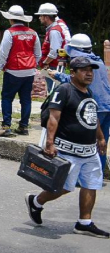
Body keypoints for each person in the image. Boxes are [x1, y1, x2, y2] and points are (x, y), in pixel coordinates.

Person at [25, 57, 108, 238]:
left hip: (89, 151)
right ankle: (36, 201)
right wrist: (50, 143)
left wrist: (101, 138)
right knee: (64, 187)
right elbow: (54, 118)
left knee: (91, 183)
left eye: (91, 70)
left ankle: (84, 223)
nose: (89, 73)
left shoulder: (88, 93)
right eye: (84, 70)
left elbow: (93, 118)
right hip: (68, 150)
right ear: (73, 72)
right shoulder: (64, 90)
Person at [48, 34, 110, 173]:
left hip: (92, 107)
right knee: (101, 142)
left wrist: (57, 74)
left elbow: (75, 81)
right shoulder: (97, 61)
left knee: (86, 142)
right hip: (106, 106)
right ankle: (97, 175)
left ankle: (79, 175)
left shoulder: (81, 63)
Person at [0, 5, 42, 137]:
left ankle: (6, 126)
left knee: (7, 98)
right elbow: (38, 53)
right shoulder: (33, 33)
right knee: (26, 99)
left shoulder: (10, 33)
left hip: (13, 71)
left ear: (11, 19)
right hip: (29, 71)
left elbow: (3, 52)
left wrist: (1, 65)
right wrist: (33, 65)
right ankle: (23, 126)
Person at [35, 3, 69, 92]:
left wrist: (45, 62)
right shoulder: (52, 29)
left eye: (41, 16)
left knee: (55, 91)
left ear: (46, 17)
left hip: (54, 66)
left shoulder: (54, 31)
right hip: (53, 65)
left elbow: (54, 52)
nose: (39, 18)